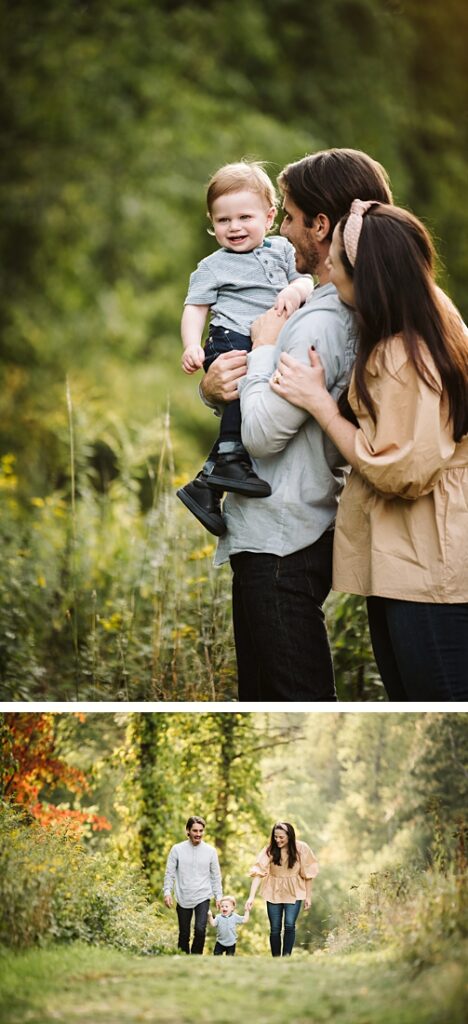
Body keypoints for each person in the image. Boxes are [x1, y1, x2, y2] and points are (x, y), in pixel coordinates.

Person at [200, 149, 393, 701]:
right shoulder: (319, 307)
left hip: (283, 540)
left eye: (286, 216)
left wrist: (261, 349)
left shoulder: (322, 324)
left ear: (322, 225)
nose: (280, 230)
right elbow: (255, 407)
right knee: (263, 697)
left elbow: (262, 434)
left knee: (298, 698)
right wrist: (212, 388)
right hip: (272, 533)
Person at [270, 200, 468, 701]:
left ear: (372, 276)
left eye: (336, 259)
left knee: (438, 701)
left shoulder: (406, 354)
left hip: (430, 569)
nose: (328, 269)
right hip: (410, 562)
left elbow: (403, 470)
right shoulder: (426, 316)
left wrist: (320, 403)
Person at [177, 160, 314, 537]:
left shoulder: (285, 250)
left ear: (270, 216)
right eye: (223, 221)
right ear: (212, 221)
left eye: (244, 217)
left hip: (267, 340)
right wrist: (192, 345)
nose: (234, 227)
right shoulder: (211, 266)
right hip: (230, 338)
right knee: (241, 392)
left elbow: (306, 281)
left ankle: (207, 484)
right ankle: (229, 461)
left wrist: (295, 289)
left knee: (259, 400)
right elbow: (195, 307)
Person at [245, 821, 318, 957]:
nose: (277, 840)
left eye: (281, 837)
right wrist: (251, 897)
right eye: (275, 837)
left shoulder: (301, 848)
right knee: (275, 928)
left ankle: (286, 956)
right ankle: (276, 958)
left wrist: (308, 896)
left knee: (290, 925)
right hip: (273, 889)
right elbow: (258, 872)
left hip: (294, 890)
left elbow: (308, 874)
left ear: (289, 836)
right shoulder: (270, 850)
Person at [163, 815, 223, 954]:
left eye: (201, 831)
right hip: (183, 895)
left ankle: (196, 958)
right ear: (188, 831)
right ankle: (183, 958)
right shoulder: (177, 849)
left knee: (200, 929)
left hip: (203, 895)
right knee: (184, 933)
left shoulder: (210, 851)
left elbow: (215, 876)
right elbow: (170, 873)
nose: (198, 834)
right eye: (195, 831)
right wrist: (167, 892)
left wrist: (219, 896)